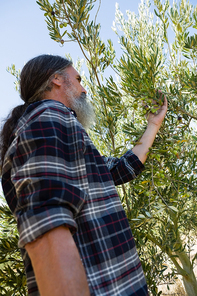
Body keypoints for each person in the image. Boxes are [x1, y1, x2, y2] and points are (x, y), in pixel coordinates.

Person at [0, 54, 167, 296]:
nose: (83, 88)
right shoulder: (48, 118)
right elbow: (47, 228)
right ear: (56, 79)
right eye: (78, 79)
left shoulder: (58, 127)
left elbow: (122, 168)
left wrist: (153, 125)